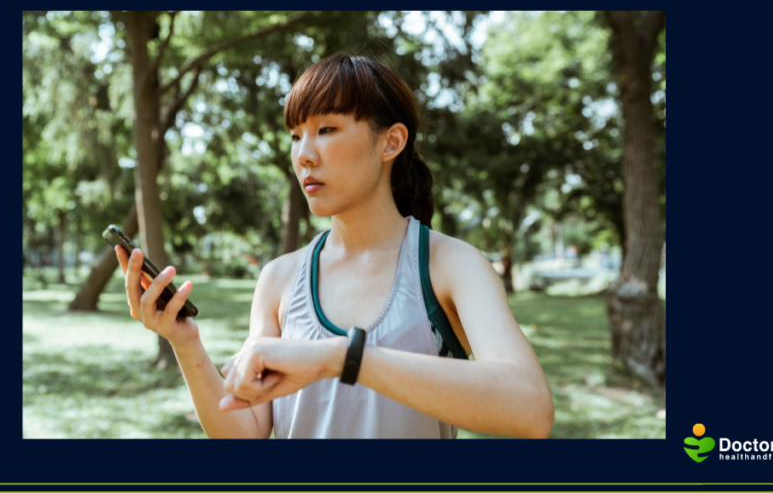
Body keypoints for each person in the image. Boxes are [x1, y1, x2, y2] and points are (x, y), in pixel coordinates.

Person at [114, 54, 554, 439]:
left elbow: (531, 410)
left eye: (326, 129)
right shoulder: (280, 278)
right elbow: (244, 433)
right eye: (294, 135)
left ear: (391, 142)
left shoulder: (450, 265)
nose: (304, 154)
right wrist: (185, 341)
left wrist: (341, 358)